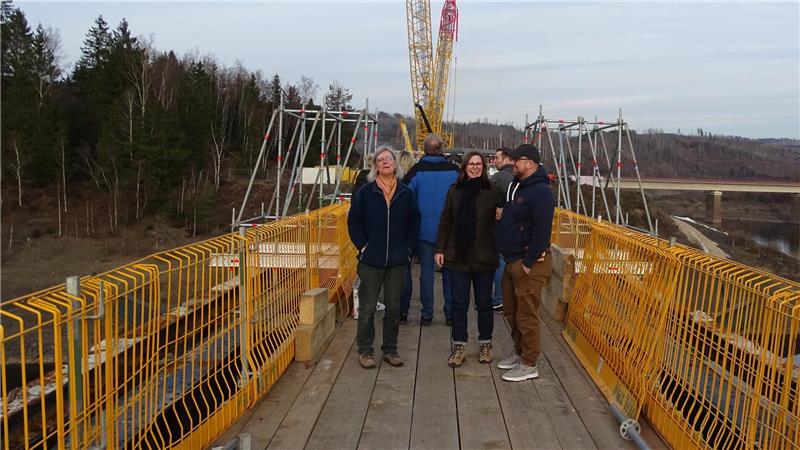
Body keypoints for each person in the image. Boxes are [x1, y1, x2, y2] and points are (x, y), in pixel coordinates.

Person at [348, 146, 420, 369]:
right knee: (368, 308)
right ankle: (365, 351)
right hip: (371, 261)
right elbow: (354, 222)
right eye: (381, 160)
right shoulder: (365, 193)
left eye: (389, 158)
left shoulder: (406, 193)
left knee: (394, 308)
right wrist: (363, 247)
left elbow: (414, 222)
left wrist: (408, 249)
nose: (386, 162)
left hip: (397, 261)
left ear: (396, 164)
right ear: (375, 167)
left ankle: (390, 349)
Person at [435, 152, 502, 367]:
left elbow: (509, 212)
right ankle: (459, 345)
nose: (475, 167)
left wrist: (503, 213)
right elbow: (445, 221)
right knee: (459, 303)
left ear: (484, 167)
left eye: (478, 164)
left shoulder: (493, 191)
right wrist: (440, 249)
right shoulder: (455, 191)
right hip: (458, 256)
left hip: (484, 256)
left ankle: (485, 344)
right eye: (471, 164)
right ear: (465, 167)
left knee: (484, 303)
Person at [495, 144, 554, 382]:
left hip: (528, 262)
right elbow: (518, 216)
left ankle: (530, 362)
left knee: (526, 314)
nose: (513, 164)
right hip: (512, 259)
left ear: (529, 163)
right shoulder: (518, 186)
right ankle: (520, 353)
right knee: (511, 310)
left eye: (516, 160)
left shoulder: (540, 192)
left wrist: (529, 262)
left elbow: (542, 230)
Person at [402, 134, 459, 326]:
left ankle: (427, 314)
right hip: (450, 230)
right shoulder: (454, 170)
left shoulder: (416, 171)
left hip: (423, 230)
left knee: (426, 271)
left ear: (424, 149)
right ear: (442, 149)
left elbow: (406, 199)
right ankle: (450, 314)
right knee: (449, 272)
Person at [490, 147, 515, 312]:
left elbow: (487, 202)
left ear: (506, 159)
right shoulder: (518, 179)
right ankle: (509, 299)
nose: (494, 161)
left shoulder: (497, 178)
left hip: (499, 229)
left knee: (499, 264)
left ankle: (497, 299)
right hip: (515, 230)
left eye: (497, 157)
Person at [396, 150, 418, 325]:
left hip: (392, 235)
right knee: (405, 274)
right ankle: (403, 310)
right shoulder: (413, 180)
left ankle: (394, 308)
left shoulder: (394, 184)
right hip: (408, 237)